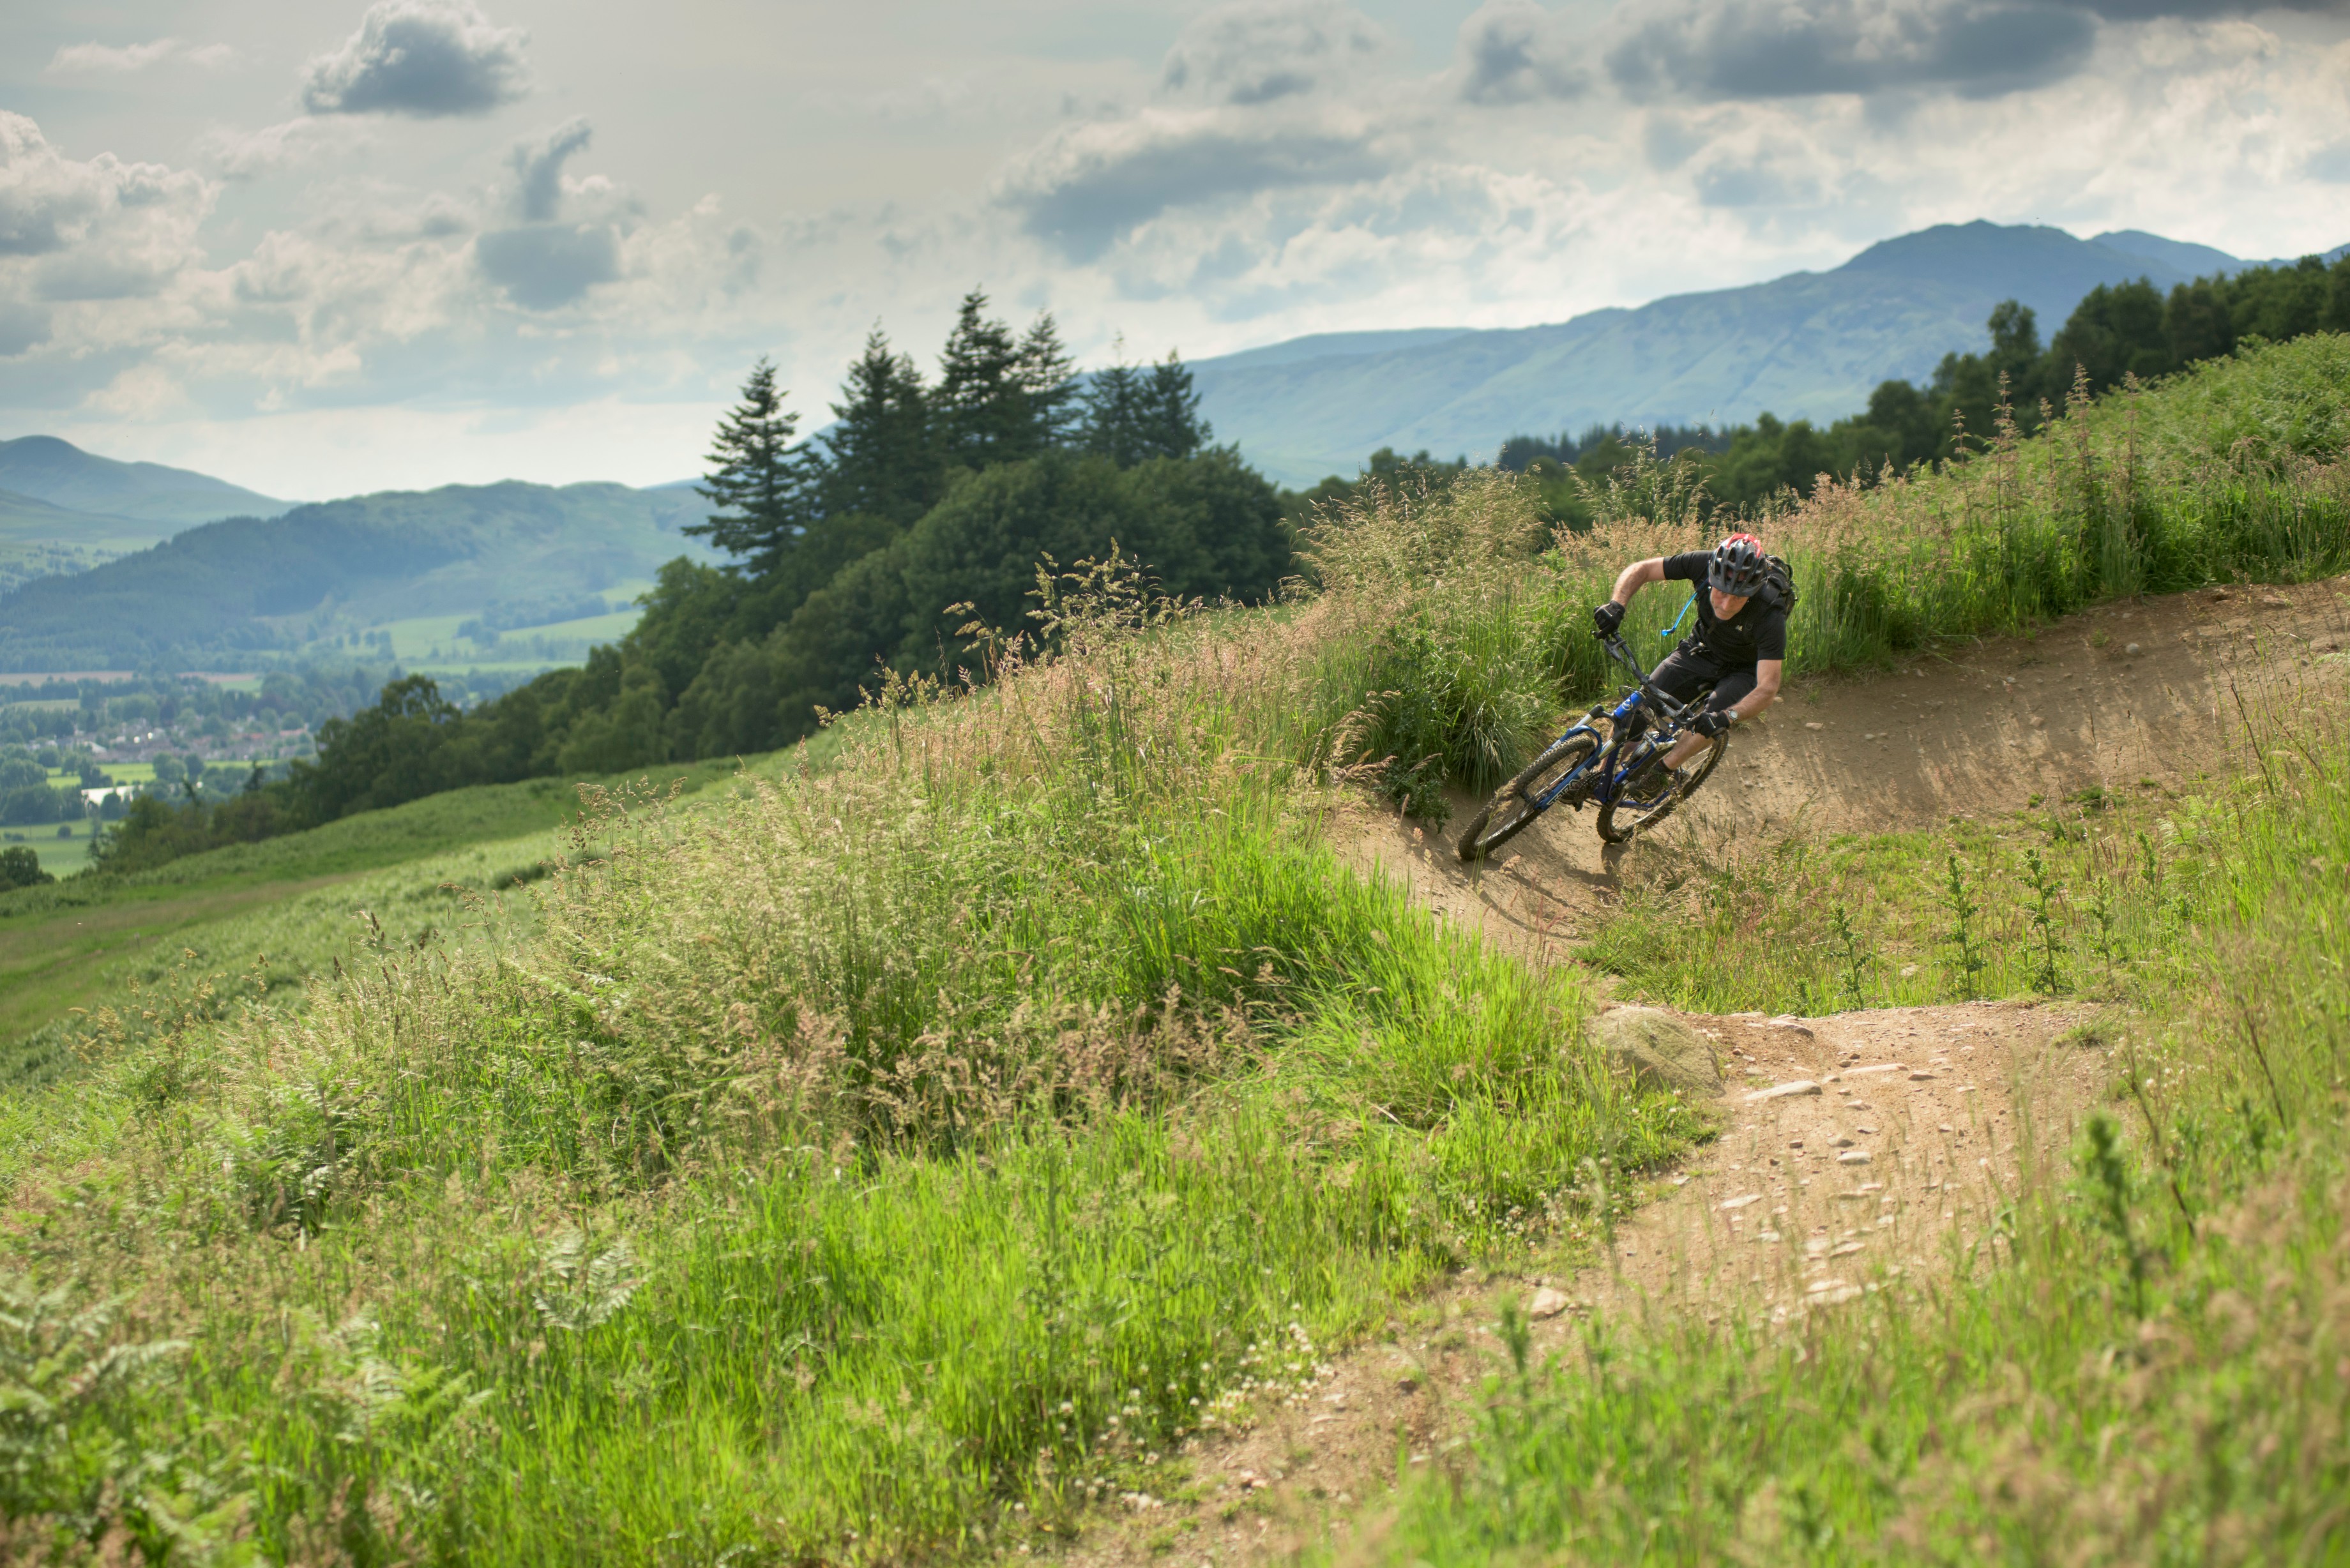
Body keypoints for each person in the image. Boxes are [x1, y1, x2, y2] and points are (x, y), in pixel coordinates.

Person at [1590, 532, 1786, 788]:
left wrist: (1729, 717)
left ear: (1753, 592)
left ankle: (1661, 772)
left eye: (1738, 598)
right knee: (1642, 706)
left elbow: (1768, 688)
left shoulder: (1770, 612)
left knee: (1714, 715)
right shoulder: (1702, 564)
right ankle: (1601, 774)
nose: (1726, 605)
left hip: (1744, 671)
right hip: (1701, 650)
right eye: (1721, 592)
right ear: (1712, 577)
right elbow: (1643, 569)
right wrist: (1617, 605)